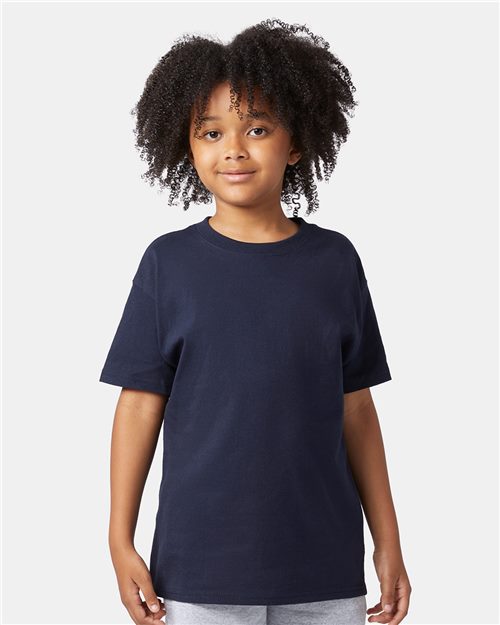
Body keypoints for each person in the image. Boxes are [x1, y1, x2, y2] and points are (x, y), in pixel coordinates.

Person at [99, 18, 412, 625]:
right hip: (197, 573)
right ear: (188, 147)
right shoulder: (168, 263)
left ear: (296, 143)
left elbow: (357, 409)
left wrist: (388, 541)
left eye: (258, 129)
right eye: (211, 132)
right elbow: (138, 405)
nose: (234, 149)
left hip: (324, 570)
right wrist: (119, 539)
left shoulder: (335, 261)